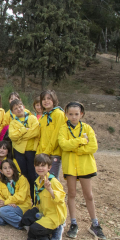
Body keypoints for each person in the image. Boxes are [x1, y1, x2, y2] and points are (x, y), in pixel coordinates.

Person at [58, 102, 106, 239]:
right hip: (70, 166)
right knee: (71, 194)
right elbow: (63, 145)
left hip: (85, 166)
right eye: (70, 114)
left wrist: (76, 148)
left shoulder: (87, 128)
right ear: (66, 114)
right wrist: (81, 141)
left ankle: (94, 224)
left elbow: (93, 147)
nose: (73, 117)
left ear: (81, 114)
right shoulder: (63, 129)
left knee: (89, 195)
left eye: (76, 114)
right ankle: (73, 223)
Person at [19, 154, 67, 240]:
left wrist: (50, 190)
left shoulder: (53, 181)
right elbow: (38, 200)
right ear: (34, 166)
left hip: (54, 216)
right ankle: (44, 234)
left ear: (49, 167)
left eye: (43, 166)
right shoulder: (37, 182)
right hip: (42, 211)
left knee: (34, 229)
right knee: (25, 219)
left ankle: (57, 229)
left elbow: (61, 199)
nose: (40, 168)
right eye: (37, 165)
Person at [8, 99, 40, 199]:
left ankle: (35, 197)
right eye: (15, 108)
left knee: (33, 174)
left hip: (31, 150)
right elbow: (12, 136)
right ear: (12, 112)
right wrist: (23, 130)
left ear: (24, 106)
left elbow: (35, 132)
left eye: (19, 106)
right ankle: (26, 197)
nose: (18, 109)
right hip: (19, 151)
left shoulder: (32, 118)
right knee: (23, 174)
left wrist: (20, 136)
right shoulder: (13, 123)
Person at [0, 159, 32, 229]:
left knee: (2, 211)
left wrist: (6, 202)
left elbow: (21, 197)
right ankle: (20, 221)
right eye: (5, 168)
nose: (8, 170)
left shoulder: (22, 179)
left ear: (14, 168)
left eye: (10, 167)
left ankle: (23, 224)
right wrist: (2, 202)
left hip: (22, 206)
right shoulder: (1, 181)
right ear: (1, 171)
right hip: (8, 206)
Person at [37, 90, 66, 180]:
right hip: (43, 153)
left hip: (53, 154)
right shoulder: (43, 117)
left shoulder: (59, 114)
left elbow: (57, 136)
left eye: (49, 98)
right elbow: (40, 137)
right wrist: (39, 153)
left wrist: (47, 151)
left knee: (51, 180)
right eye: (43, 99)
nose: (46, 101)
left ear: (54, 100)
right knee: (42, 180)